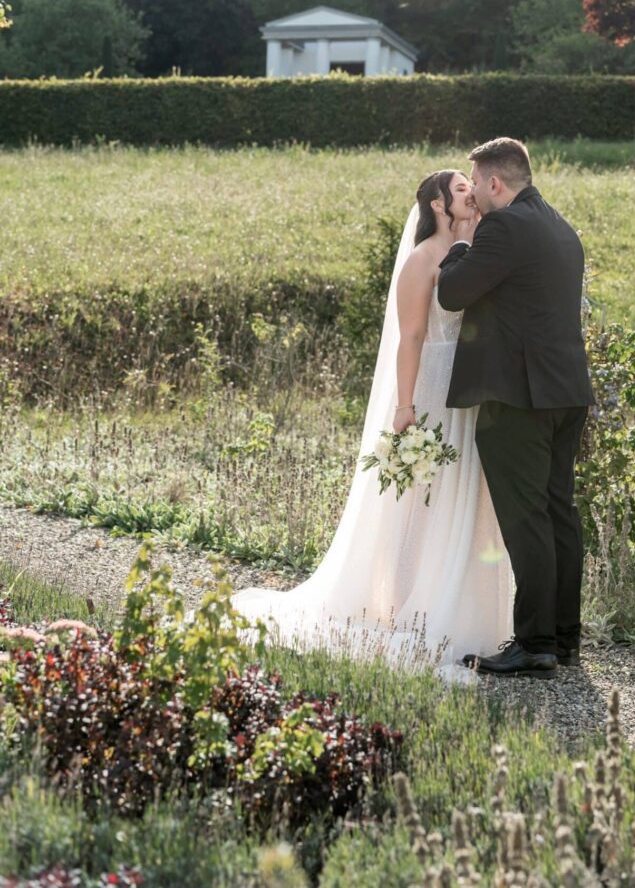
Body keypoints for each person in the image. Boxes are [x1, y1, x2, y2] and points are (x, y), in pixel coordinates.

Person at [230, 169, 513, 675]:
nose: (472, 195)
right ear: (437, 205)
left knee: (466, 499)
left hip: (473, 393)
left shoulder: (478, 250)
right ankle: (405, 607)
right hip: (433, 389)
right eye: (461, 190)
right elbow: (411, 337)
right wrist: (405, 407)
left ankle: (463, 610)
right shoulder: (422, 260)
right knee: (420, 502)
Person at [438, 137, 592, 678]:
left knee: (527, 519)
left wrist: (460, 247)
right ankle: (564, 638)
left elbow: (453, 293)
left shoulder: (503, 228)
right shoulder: (561, 227)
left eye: (477, 184)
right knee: (558, 512)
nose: (474, 195)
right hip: (567, 392)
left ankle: (535, 643)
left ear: (494, 182)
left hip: (520, 397)